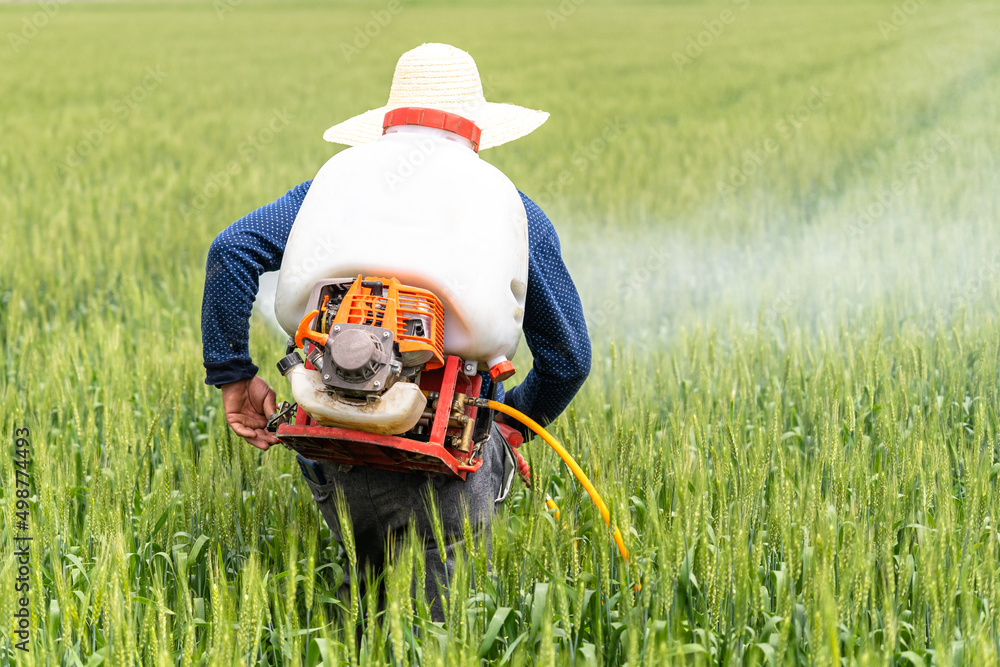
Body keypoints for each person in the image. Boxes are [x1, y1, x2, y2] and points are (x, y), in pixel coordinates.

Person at [201, 43, 591, 617]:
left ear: (386, 128)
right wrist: (511, 429)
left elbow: (231, 250)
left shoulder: (329, 186)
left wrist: (234, 376)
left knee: (363, 605)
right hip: (452, 458)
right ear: (475, 134)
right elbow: (568, 361)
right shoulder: (514, 209)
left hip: (335, 447)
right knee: (434, 633)